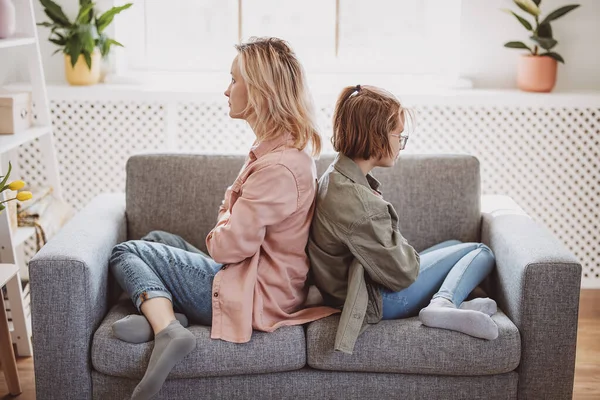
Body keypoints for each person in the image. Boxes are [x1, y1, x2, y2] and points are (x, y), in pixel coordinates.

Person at [109, 37, 339, 399]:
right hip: (255, 279)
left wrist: (226, 212)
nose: (226, 90)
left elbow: (225, 248)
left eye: (234, 80)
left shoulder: (278, 167)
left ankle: (168, 328)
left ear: (260, 91)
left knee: (125, 252)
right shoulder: (281, 152)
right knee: (156, 238)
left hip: (253, 296)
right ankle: (168, 316)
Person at [307, 85, 498, 355]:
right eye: (399, 135)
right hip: (379, 300)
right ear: (376, 136)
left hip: (355, 289)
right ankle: (442, 305)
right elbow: (403, 274)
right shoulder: (360, 205)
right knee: (481, 251)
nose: (401, 144)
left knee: (455, 244)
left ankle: (453, 305)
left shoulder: (335, 177)